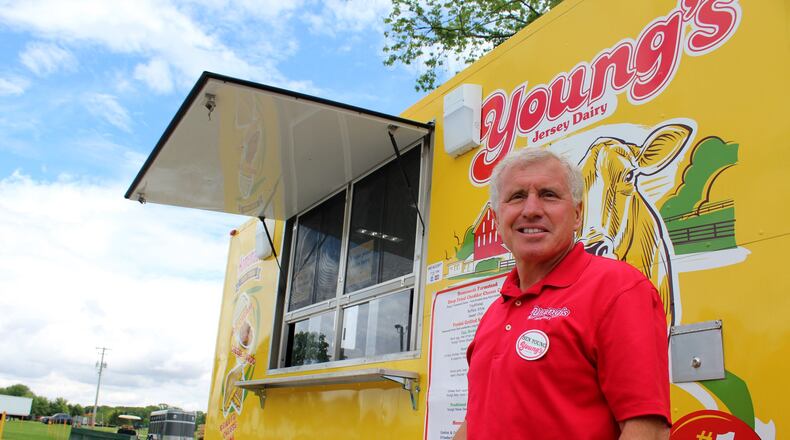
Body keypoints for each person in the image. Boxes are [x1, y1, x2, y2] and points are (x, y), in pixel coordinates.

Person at [453, 148, 670, 440]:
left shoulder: (618, 289)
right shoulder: (494, 313)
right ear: (497, 219)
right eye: (517, 196)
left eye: (548, 195)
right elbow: (475, 420)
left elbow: (648, 430)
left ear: (577, 214)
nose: (531, 209)